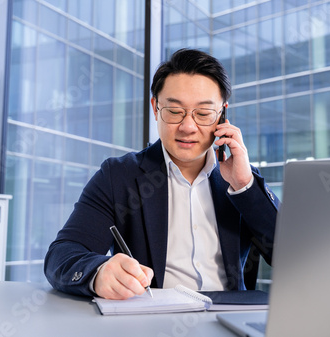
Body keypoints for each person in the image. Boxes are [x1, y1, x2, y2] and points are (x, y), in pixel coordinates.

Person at [44, 48, 280, 300]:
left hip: (228, 317)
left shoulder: (240, 178)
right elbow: (62, 254)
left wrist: (245, 185)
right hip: (152, 318)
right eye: (174, 111)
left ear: (222, 114)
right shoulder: (118, 175)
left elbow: (294, 257)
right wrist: (98, 272)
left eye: (202, 113)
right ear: (156, 108)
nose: (188, 127)